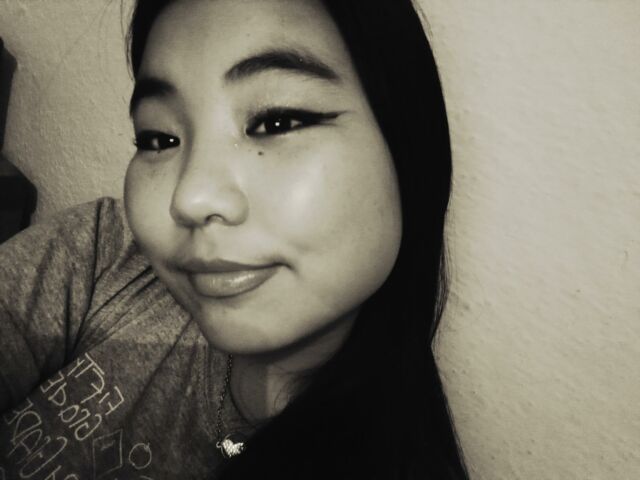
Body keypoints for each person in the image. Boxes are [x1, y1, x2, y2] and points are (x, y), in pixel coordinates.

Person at [0, 0, 468, 478]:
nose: (190, 198)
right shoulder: (106, 253)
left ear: (409, 149)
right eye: (159, 138)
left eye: (277, 122)